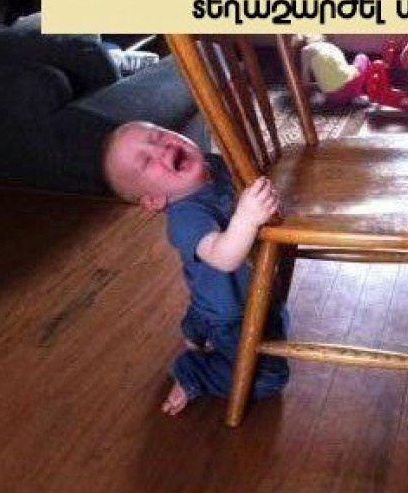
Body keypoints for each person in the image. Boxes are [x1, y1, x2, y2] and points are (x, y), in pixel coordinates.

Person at [102, 121, 289, 415]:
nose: (160, 148)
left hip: (233, 291)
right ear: (155, 200)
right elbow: (224, 257)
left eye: (158, 135)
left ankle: (196, 326)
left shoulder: (215, 164)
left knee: (258, 312)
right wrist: (247, 218)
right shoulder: (186, 217)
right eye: (146, 161)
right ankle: (195, 371)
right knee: (270, 378)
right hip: (231, 314)